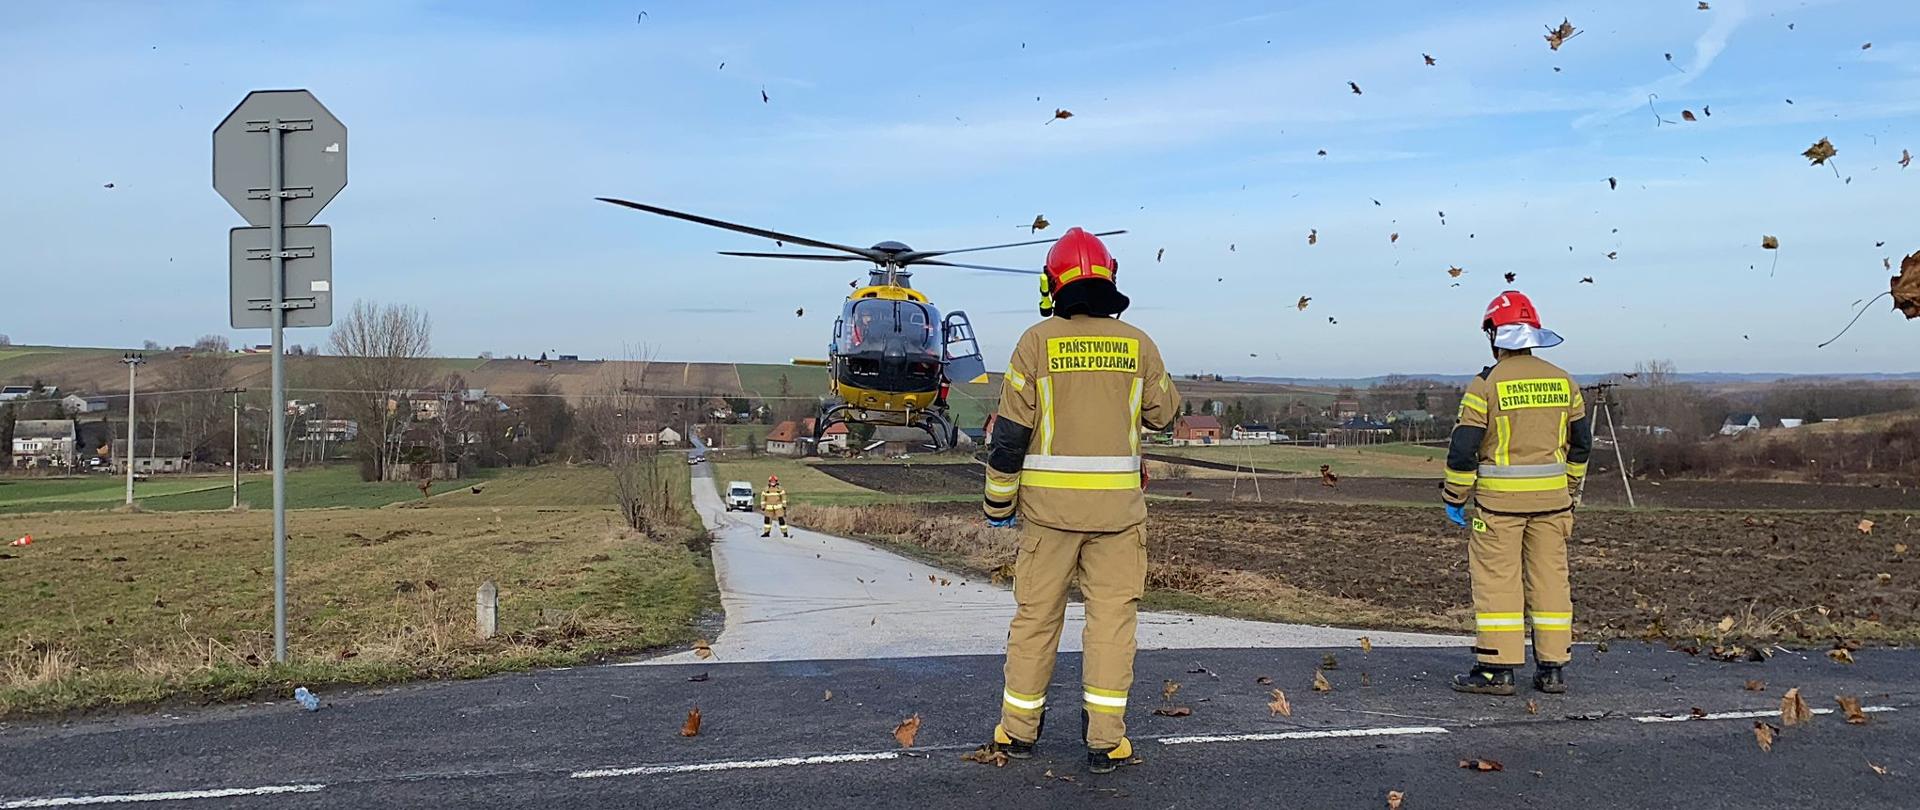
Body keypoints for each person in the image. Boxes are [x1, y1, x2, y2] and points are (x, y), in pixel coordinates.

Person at [982, 227, 1180, 774]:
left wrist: (998, 505)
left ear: (1054, 283)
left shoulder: (1035, 342)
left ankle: (1017, 732)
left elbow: (1010, 437)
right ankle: (1105, 741)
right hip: (1118, 517)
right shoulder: (1138, 343)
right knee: (1112, 624)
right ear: (1109, 279)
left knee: (1036, 619)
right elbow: (1165, 415)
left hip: (1048, 517)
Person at [1441, 290, 1593, 696]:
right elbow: (1581, 445)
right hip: (1554, 504)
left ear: (1495, 333)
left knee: (1498, 583)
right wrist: (1572, 490)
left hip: (1498, 508)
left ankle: (1497, 669)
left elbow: (1463, 448)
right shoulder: (1565, 381)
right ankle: (1553, 668)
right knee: (1550, 582)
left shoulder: (1486, 384)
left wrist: (1455, 498)